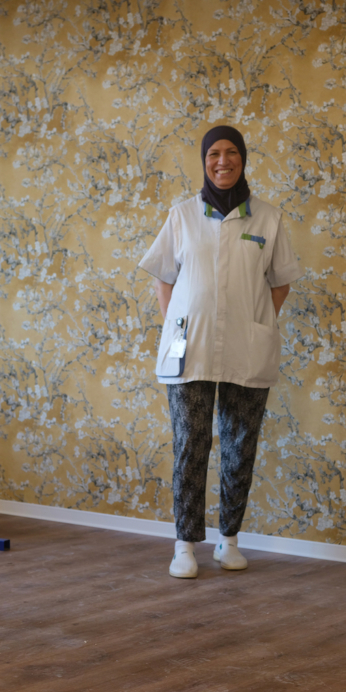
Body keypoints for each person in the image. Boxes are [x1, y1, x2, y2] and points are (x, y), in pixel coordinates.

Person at [139, 125, 302, 579]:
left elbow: (281, 282)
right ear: (204, 160)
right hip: (189, 349)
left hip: (246, 348)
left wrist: (255, 323)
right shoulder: (182, 216)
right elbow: (164, 277)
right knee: (190, 444)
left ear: (243, 159)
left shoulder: (267, 218)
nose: (223, 161)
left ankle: (229, 540)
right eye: (214, 153)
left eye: (232, 152)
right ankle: (185, 545)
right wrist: (177, 323)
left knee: (239, 445)